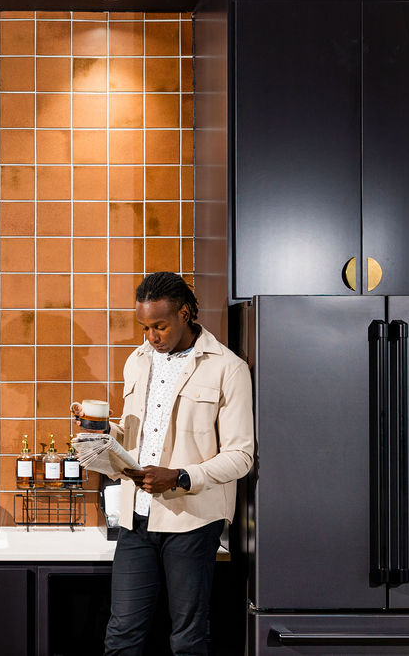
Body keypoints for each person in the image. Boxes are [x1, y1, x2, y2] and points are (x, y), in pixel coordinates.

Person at [100, 272, 254, 656]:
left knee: (187, 638)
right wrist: (102, 435)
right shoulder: (137, 361)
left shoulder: (227, 368)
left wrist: (181, 476)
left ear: (185, 313)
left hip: (192, 523)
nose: (152, 336)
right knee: (122, 634)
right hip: (136, 518)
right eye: (146, 327)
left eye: (160, 326)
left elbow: (240, 457)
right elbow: (136, 435)